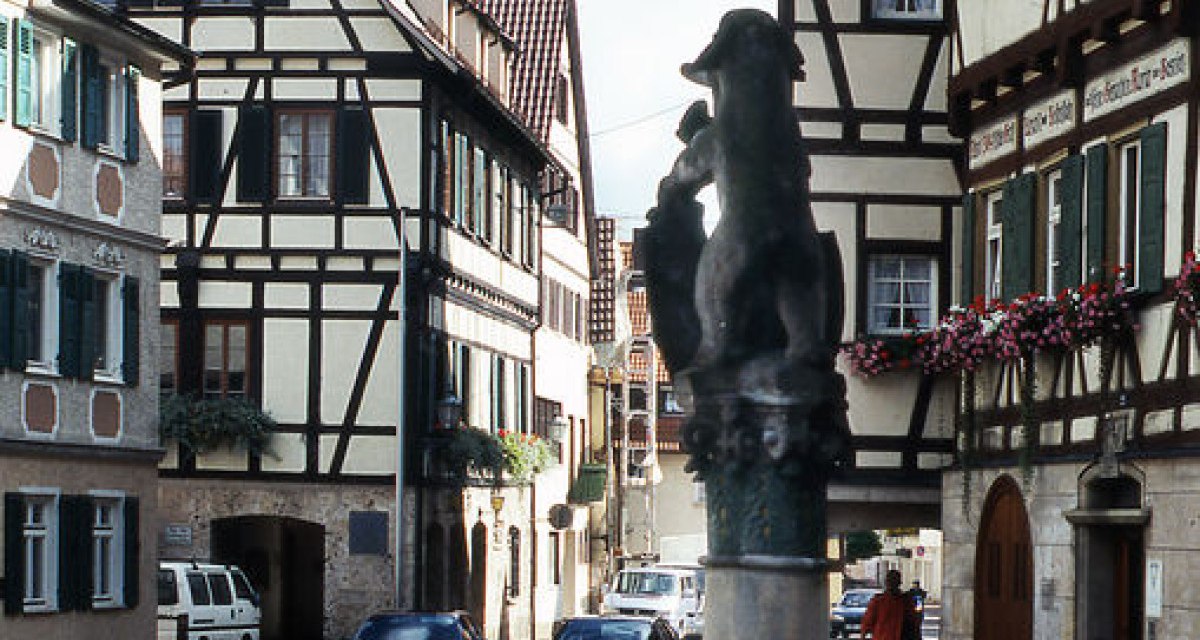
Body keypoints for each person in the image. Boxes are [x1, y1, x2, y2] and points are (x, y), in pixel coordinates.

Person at [860, 569, 918, 640]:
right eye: (891, 581)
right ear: (900, 583)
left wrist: (863, 634)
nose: (892, 584)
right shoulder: (906, 601)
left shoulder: (878, 601)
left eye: (893, 581)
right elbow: (914, 623)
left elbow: (867, 622)